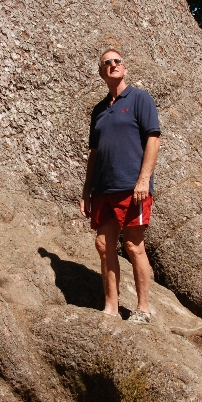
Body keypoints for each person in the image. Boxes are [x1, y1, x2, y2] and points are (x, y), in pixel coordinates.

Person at [80, 49, 161, 323]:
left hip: (131, 186)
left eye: (117, 61)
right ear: (102, 72)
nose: (113, 65)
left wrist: (143, 180)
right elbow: (94, 152)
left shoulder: (139, 99)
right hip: (104, 188)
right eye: (107, 63)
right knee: (104, 245)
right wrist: (86, 190)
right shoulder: (100, 110)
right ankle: (111, 308)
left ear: (124, 68)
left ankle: (143, 309)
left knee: (133, 245)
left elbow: (153, 139)